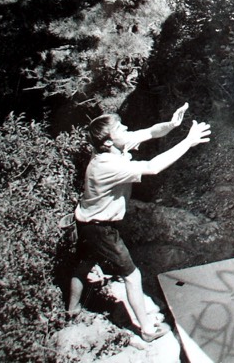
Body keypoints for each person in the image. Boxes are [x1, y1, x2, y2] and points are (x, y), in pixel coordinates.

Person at [66, 103, 211, 342]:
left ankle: (71, 311)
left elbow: (150, 132)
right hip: (100, 229)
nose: (127, 129)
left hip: (85, 221)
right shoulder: (108, 165)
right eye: (121, 129)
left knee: (83, 265)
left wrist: (172, 124)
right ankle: (147, 330)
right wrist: (188, 142)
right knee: (132, 277)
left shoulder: (111, 149)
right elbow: (152, 167)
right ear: (109, 142)